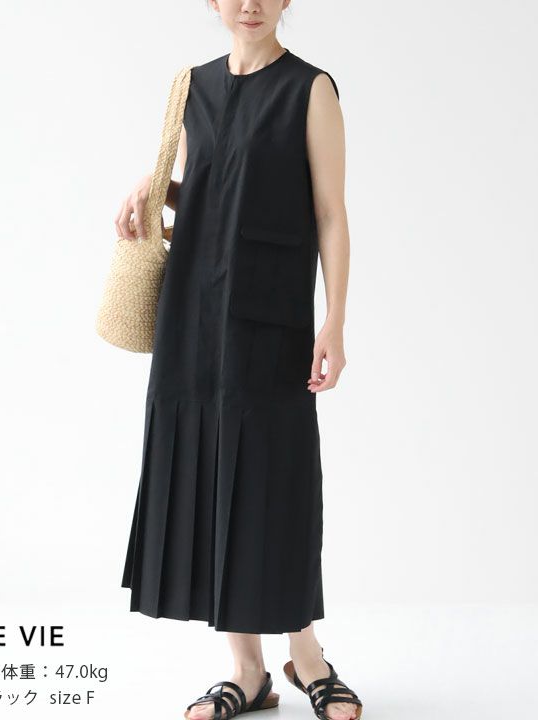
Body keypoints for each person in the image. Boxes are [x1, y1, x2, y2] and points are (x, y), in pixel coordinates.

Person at [115, 3, 361, 719]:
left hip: (270, 314)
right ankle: (247, 672)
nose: (249, 2)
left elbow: (330, 212)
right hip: (192, 311)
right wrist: (152, 188)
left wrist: (334, 320)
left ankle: (307, 658)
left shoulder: (310, 89)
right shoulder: (191, 85)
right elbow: (212, 191)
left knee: (274, 478)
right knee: (209, 471)